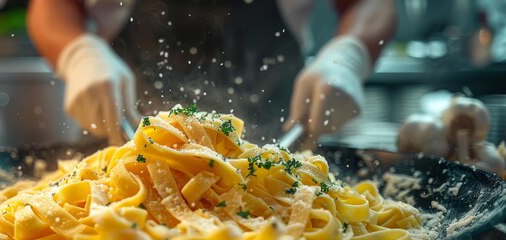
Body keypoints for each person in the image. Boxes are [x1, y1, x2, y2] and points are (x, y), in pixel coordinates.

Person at [27, 0, 396, 146]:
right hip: (117, 143)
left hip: (282, 147)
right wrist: (79, 53)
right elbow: (52, 7)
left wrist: (349, 53)